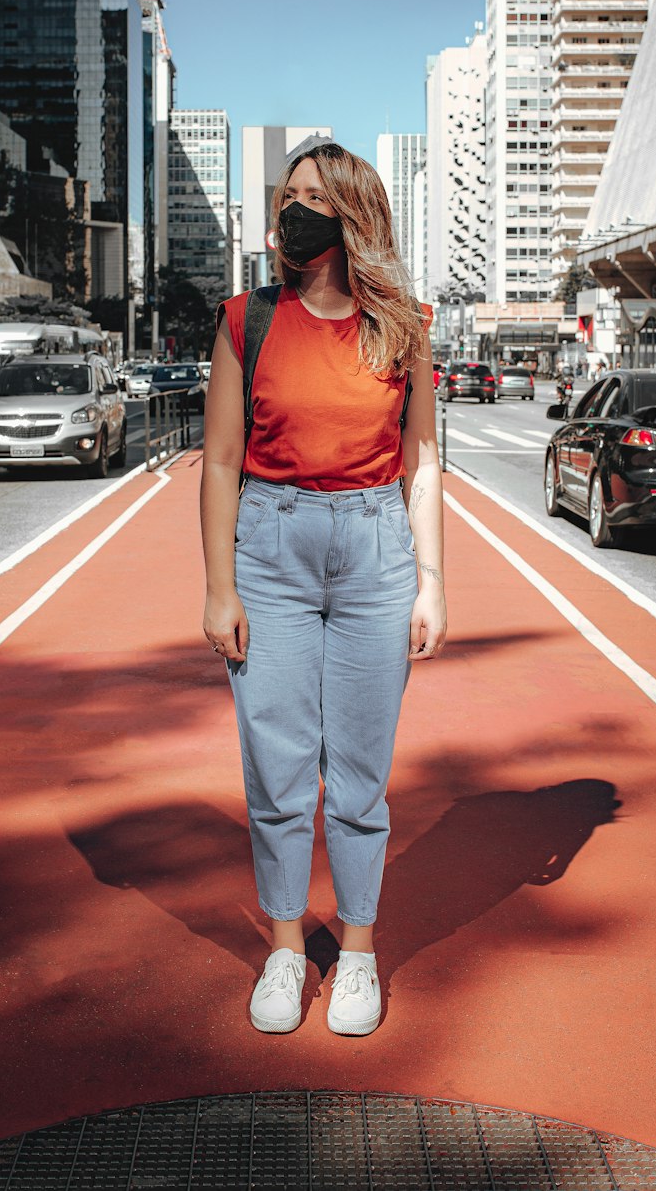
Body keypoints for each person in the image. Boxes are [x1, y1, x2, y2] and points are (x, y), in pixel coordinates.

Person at [200, 139, 447, 1038]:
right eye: (286, 195)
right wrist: (218, 588)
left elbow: (421, 461)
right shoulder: (245, 320)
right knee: (276, 768)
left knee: (358, 779)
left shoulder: (405, 326)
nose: (290, 212)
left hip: (376, 551)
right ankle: (281, 948)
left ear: (350, 214)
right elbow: (221, 460)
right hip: (270, 547)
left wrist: (433, 581)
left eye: (310, 197)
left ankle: (357, 954)